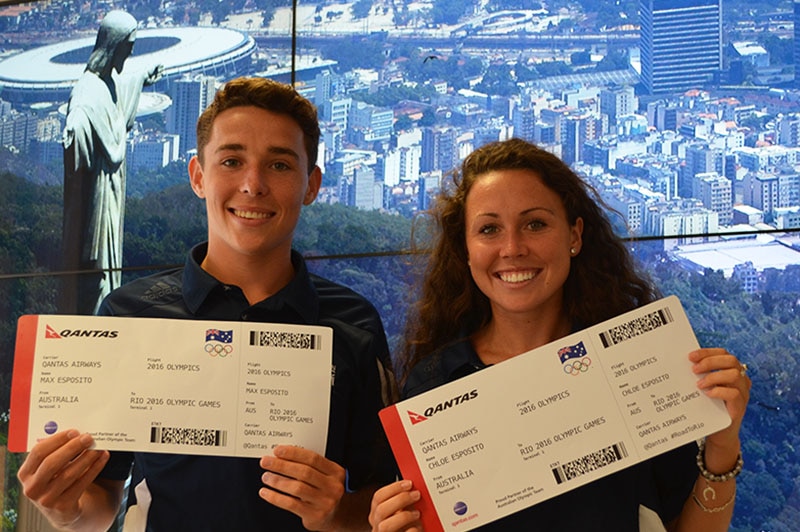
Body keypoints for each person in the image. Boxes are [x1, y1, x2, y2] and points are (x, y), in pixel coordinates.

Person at [19, 77, 398, 531]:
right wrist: (65, 508)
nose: (253, 185)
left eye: (279, 165)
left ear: (311, 184)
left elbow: (383, 500)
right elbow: (102, 501)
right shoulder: (130, 315)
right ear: (199, 176)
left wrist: (337, 513)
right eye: (232, 161)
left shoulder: (353, 323)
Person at [368, 138, 750, 531]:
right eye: (489, 229)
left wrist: (723, 444)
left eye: (535, 224)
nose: (512, 248)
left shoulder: (636, 367)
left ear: (574, 235)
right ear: (465, 249)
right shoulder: (433, 386)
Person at [61, 9, 163, 315]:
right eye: (128, 46)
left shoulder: (107, 82)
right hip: (99, 196)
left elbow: (118, 90)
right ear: (114, 45)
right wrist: (74, 129)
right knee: (99, 271)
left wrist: (143, 76)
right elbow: (79, 114)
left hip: (112, 192)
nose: (130, 52)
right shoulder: (87, 89)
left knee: (109, 267)